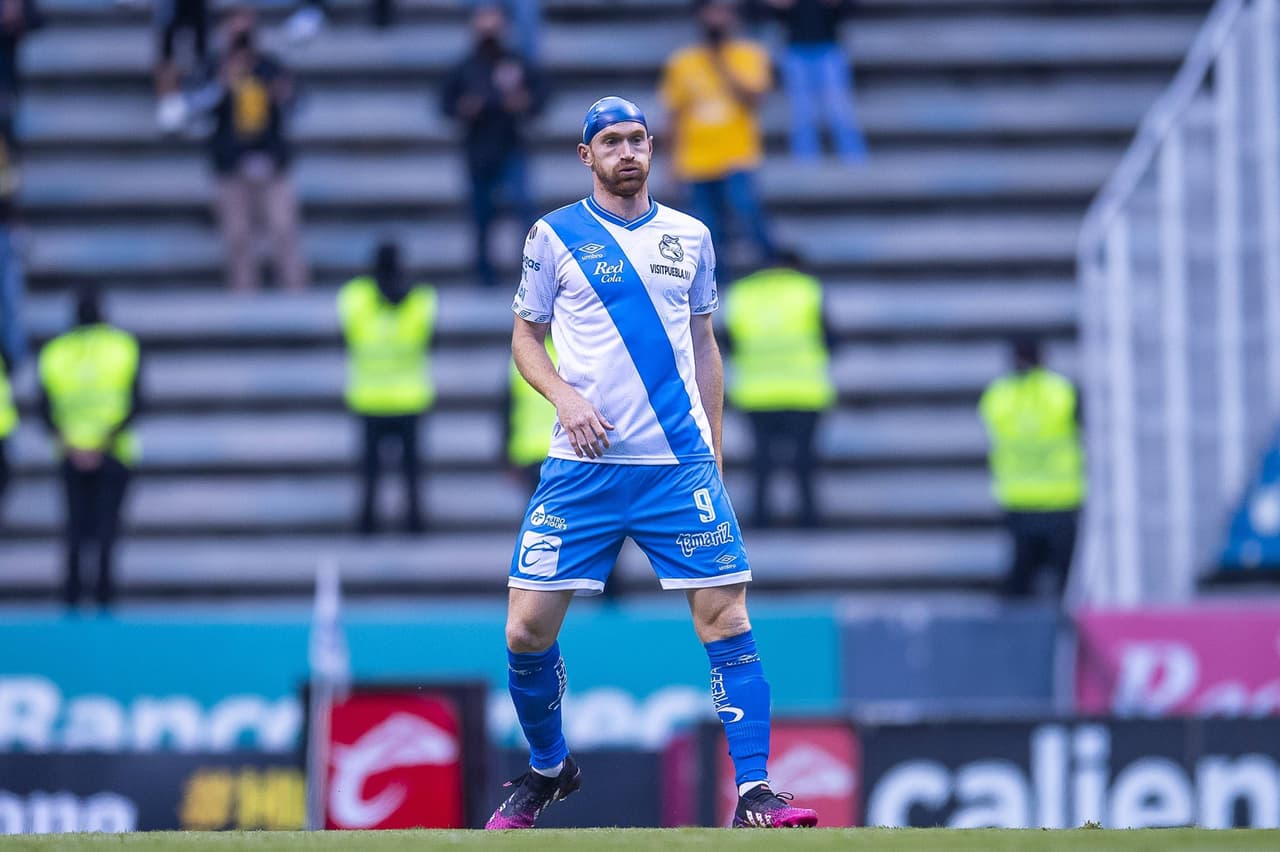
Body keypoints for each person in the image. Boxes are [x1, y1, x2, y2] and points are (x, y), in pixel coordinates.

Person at [486, 96, 818, 831]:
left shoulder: (691, 236)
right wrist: (565, 399)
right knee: (525, 631)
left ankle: (756, 791)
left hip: (677, 467)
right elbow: (524, 341)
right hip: (583, 465)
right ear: (587, 157)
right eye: (612, 141)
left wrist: (718, 458)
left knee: (726, 617)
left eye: (638, 138)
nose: (629, 151)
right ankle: (549, 769)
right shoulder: (554, 235)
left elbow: (704, 346)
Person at [38, 285, 142, 608]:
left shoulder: (55, 352)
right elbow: (137, 402)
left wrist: (72, 444)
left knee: (75, 530)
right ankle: (103, 602)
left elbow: (44, 409)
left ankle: (71, 602)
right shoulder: (122, 347)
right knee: (106, 532)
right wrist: (102, 443)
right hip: (114, 452)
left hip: (70, 453)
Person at [659, 0, 774, 279]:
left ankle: (774, 271)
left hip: (736, 154)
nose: (717, 18)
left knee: (748, 214)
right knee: (708, 228)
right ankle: (719, 286)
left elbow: (754, 99)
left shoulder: (750, 56)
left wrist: (720, 64)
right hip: (696, 159)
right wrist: (669, 163)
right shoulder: (682, 62)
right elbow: (673, 115)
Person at [202, 5, 309, 293]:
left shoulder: (271, 67)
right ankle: (243, 297)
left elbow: (297, 103)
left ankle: (295, 295)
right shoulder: (215, 68)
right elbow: (195, 108)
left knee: (283, 231)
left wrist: (283, 93)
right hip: (231, 166)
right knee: (237, 238)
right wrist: (221, 84)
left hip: (271, 164)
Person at [724, 250, 835, 528]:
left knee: (761, 459)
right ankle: (809, 518)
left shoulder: (742, 294)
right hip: (804, 391)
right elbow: (831, 340)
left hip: (756, 392)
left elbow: (727, 343)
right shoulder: (807, 291)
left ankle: (761, 517)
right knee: (804, 460)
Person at [441, 4, 547, 288]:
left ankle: (531, 271)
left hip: (511, 146)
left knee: (524, 210)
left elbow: (542, 97)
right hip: (478, 152)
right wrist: (465, 109)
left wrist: (521, 101)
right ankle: (483, 273)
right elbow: (445, 105)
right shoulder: (464, 68)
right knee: (481, 216)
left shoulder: (516, 62)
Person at [338, 241, 436, 534]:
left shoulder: (353, 298)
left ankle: (366, 525)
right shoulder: (422, 300)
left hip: (369, 398)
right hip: (410, 396)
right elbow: (431, 341)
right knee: (411, 471)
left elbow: (345, 340)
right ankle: (415, 525)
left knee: (369, 471)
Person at [978, 336, 1085, 598]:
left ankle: (1018, 634)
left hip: (1017, 497)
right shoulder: (1061, 391)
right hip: (1061, 497)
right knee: (1063, 580)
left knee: (1022, 578)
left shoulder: (997, 395)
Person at [759, 0, 865, 162]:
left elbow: (848, 10)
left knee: (838, 107)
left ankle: (854, 159)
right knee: (802, 110)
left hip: (828, 47)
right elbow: (773, 14)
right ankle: (805, 161)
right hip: (796, 49)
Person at [503, 335, 557, 495]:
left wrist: (505, 455)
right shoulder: (576, 355)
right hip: (568, 453)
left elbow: (506, 409)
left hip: (530, 453)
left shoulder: (524, 356)